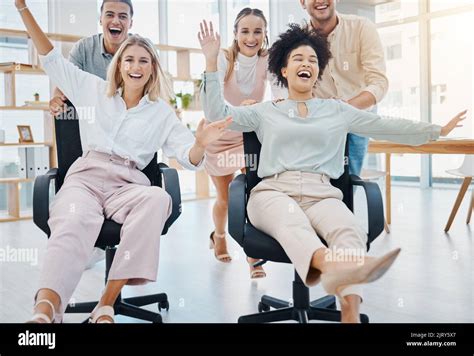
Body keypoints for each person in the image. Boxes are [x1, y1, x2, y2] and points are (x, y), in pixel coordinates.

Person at [198, 21, 467, 323]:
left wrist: (436, 130)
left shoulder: (337, 109)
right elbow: (217, 115)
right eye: (298, 59)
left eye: (312, 60)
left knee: (348, 230)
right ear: (283, 71)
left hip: (322, 193)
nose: (306, 64)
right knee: (292, 223)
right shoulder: (265, 111)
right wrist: (211, 63)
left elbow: (386, 125)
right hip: (273, 193)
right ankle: (334, 264)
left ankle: (349, 312)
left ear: (318, 72)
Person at [15, 0, 232, 323]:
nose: (136, 65)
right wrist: (22, 9)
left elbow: (189, 158)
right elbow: (51, 59)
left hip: (128, 186)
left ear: (152, 69)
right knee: (72, 222)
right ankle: (45, 309)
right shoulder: (92, 89)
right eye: (129, 59)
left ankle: (106, 303)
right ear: (118, 65)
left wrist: (200, 144)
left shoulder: (161, 112)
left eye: (144, 61)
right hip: (86, 178)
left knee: (158, 197)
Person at [49, 0, 136, 269]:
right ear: (100, 20)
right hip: (92, 133)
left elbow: (154, 88)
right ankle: (91, 238)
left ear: (131, 23)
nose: (116, 21)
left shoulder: (139, 49)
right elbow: (65, 83)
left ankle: (109, 243)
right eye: (110, 15)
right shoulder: (84, 49)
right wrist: (56, 99)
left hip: (127, 131)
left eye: (123, 16)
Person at [205, 7, 277, 278]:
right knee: (224, 198)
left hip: (248, 136)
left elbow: (279, 89)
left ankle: (252, 254)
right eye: (245, 31)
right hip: (221, 134)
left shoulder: (267, 59)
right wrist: (238, 110)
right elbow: (214, 97)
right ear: (235, 34)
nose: (251, 37)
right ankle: (219, 236)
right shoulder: (224, 58)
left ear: (264, 34)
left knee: (250, 192)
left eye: (257, 31)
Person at [299, 0, 389, 176]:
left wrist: (346, 107)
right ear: (302, 2)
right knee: (317, 184)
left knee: (349, 185)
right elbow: (287, 83)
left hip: (356, 118)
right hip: (318, 123)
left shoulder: (362, 28)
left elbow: (379, 82)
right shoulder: (297, 37)